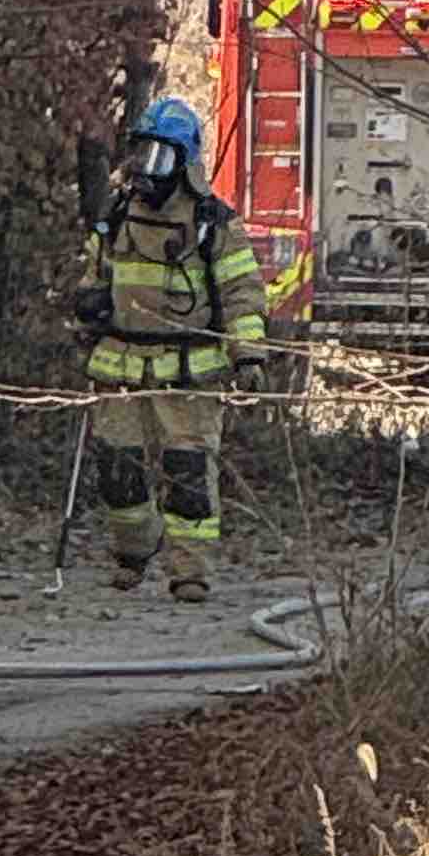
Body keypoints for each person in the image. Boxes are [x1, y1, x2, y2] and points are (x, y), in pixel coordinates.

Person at [76, 95, 266, 600]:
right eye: (142, 153)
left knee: (188, 475)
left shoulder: (212, 223)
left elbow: (242, 293)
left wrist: (248, 354)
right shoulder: (118, 213)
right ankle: (135, 550)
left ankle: (189, 572)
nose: (147, 169)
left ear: (184, 163)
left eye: (160, 157)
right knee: (118, 472)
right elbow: (95, 272)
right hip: (121, 364)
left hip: (188, 371)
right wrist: (88, 303)